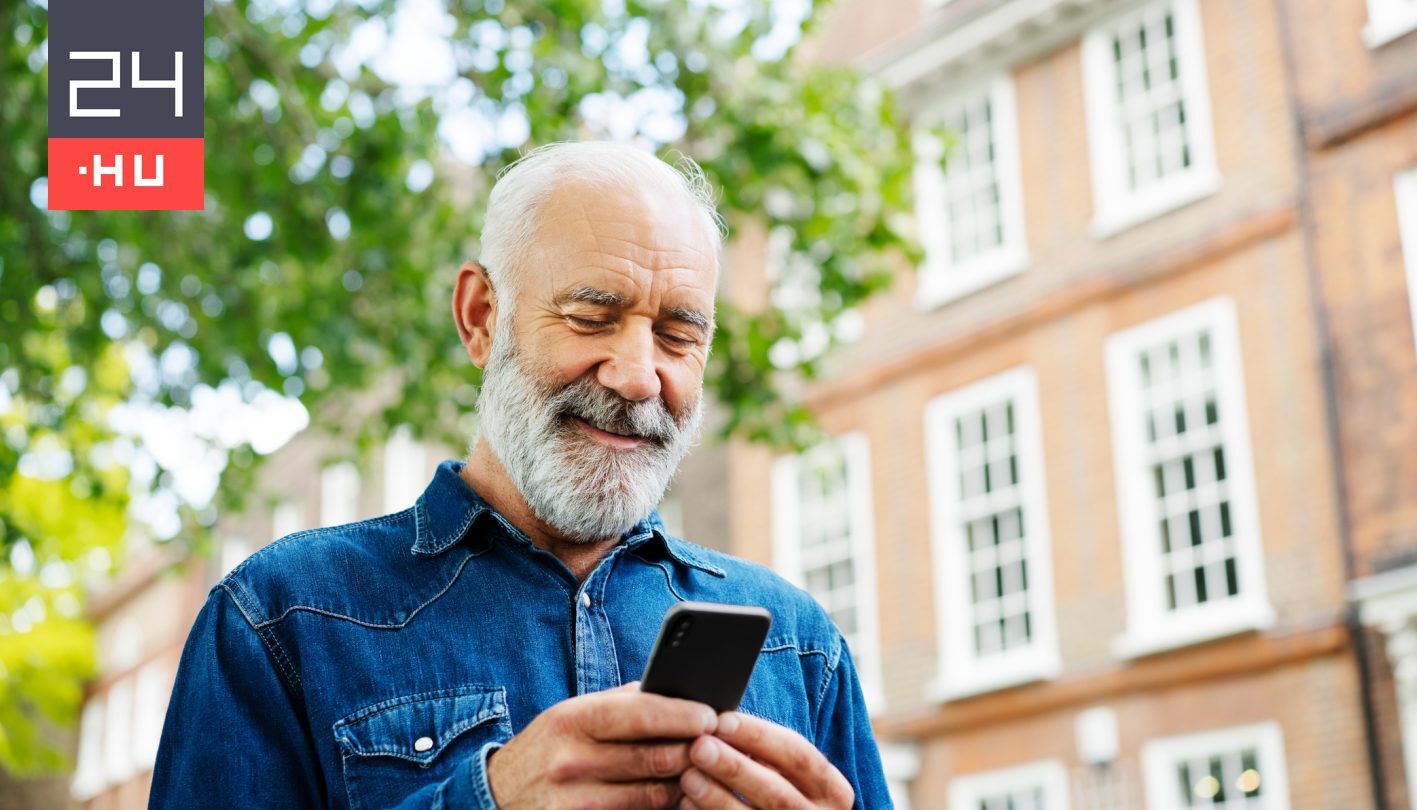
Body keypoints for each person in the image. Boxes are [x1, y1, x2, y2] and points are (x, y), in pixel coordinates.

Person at [149, 141, 890, 809]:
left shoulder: (800, 647)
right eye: (592, 317)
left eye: (677, 336)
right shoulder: (283, 617)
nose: (639, 377)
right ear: (481, 317)